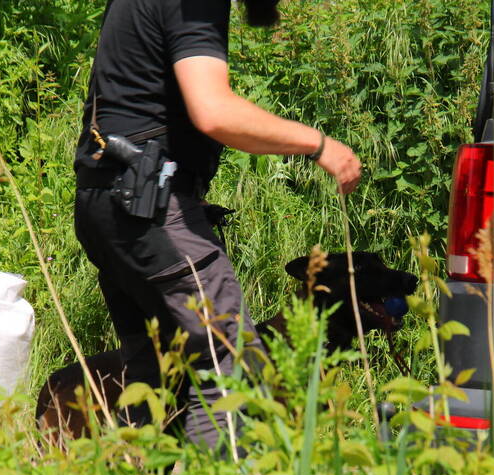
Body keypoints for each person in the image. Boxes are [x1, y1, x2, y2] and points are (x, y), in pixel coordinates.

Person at [73, 0, 362, 451]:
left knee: (155, 373)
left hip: (107, 202)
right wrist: (319, 144)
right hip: (149, 205)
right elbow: (214, 111)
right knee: (231, 365)